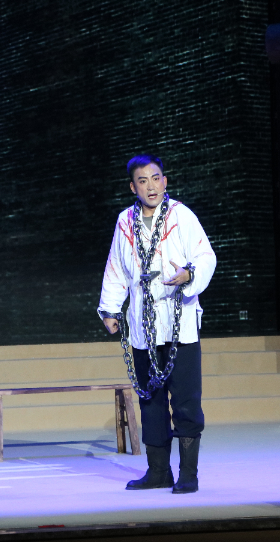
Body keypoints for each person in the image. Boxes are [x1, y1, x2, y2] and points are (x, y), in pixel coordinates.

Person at [98, 155, 216, 494]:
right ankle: (158, 472)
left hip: (180, 325)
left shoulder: (181, 215)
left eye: (156, 178)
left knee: (186, 401)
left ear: (165, 181)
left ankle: (188, 473)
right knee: (150, 400)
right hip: (143, 326)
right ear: (132, 187)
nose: (151, 186)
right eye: (143, 180)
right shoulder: (125, 221)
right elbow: (117, 267)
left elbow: (206, 256)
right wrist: (110, 309)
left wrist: (188, 274)